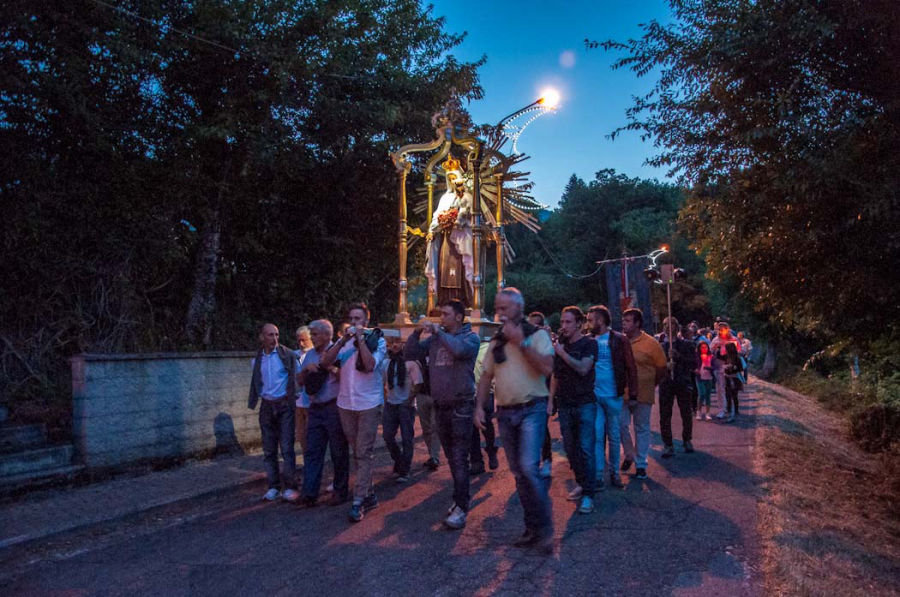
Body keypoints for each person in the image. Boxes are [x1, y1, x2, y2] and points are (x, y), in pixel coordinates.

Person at [476, 288, 555, 553]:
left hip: (532, 408)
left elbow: (546, 368)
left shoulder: (537, 335)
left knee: (529, 467)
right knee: (520, 475)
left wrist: (521, 342)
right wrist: (479, 407)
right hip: (505, 413)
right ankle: (532, 527)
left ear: (519, 309)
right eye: (498, 307)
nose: (500, 313)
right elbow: (486, 376)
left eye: (505, 308)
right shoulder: (497, 341)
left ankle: (545, 529)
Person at [405, 299, 480, 529]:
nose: (442, 318)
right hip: (441, 405)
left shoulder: (471, 338)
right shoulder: (437, 338)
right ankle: (459, 500)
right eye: (441, 315)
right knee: (451, 457)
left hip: (461, 405)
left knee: (459, 457)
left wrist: (438, 333)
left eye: (446, 314)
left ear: (459, 317)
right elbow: (412, 352)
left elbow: (458, 351)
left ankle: (461, 507)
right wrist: (416, 333)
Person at [320, 303, 388, 523]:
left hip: (368, 403)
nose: (354, 322)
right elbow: (325, 362)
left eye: (358, 319)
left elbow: (369, 365)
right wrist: (342, 340)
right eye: (351, 318)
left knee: (363, 452)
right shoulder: (344, 343)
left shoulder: (378, 341)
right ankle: (368, 495)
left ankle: (358, 501)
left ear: (366, 322)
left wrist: (360, 339)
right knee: (356, 451)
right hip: (345, 404)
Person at [549, 306, 598, 514]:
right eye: (562, 322)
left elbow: (583, 368)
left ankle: (589, 493)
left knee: (586, 448)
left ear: (579, 323)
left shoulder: (589, 344)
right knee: (570, 448)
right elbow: (556, 375)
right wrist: (551, 400)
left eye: (568, 322)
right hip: (565, 404)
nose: (564, 326)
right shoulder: (561, 345)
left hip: (584, 402)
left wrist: (561, 353)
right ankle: (581, 482)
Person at [296, 319, 349, 507]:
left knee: (338, 451)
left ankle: (341, 491)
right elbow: (299, 382)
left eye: (315, 333)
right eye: (311, 333)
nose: (312, 337)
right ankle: (309, 494)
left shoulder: (340, 352)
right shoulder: (309, 355)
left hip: (333, 407)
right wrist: (304, 371)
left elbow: (347, 378)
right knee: (312, 451)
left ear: (327, 335)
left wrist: (330, 367)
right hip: (315, 408)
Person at [248, 323, 301, 503]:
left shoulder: (288, 355)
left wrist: (293, 397)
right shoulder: (257, 360)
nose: (275, 339)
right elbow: (257, 381)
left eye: (277, 335)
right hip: (267, 406)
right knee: (269, 449)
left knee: (287, 448)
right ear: (262, 337)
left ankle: (290, 486)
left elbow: (297, 377)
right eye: (270, 335)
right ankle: (273, 487)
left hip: (284, 405)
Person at [587, 305, 637, 490]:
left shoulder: (619, 340)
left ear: (601, 320)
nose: (589, 323)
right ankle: (599, 475)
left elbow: (631, 367)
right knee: (598, 436)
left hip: (614, 395)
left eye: (591, 320)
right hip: (595, 395)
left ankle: (614, 473)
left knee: (614, 436)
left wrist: (633, 394)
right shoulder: (589, 340)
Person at [619, 308, 667, 480]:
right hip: (622, 393)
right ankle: (630, 453)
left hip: (643, 392)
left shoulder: (651, 343)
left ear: (637, 323)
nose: (624, 324)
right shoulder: (620, 341)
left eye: (628, 321)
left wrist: (652, 382)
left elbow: (662, 367)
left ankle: (641, 464)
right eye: (623, 320)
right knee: (620, 425)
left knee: (642, 428)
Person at [425, 157, 474, 307]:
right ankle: (444, 301)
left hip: (460, 239)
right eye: (450, 179)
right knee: (444, 267)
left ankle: (463, 301)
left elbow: (471, 216)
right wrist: (433, 230)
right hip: (446, 239)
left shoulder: (467, 197)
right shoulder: (445, 198)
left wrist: (458, 219)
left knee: (460, 268)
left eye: (455, 178)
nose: (453, 181)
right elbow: (436, 216)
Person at [382, 338, 423, 483]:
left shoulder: (411, 363)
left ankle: (405, 470)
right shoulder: (387, 363)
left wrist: (409, 400)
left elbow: (418, 383)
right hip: (391, 404)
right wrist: (385, 397)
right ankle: (399, 461)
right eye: (392, 342)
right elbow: (383, 381)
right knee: (387, 435)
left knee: (407, 438)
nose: (395, 344)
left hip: (406, 405)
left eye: (398, 342)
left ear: (403, 344)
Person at [658, 317, 699, 457]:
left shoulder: (687, 344)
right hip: (666, 383)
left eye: (671, 324)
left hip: (683, 381)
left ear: (677, 326)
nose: (668, 327)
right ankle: (668, 444)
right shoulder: (660, 346)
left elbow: (694, 364)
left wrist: (678, 356)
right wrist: (665, 366)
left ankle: (687, 440)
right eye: (665, 325)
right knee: (664, 414)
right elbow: (655, 366)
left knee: (686, 413)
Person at [527, 311, 554, 478]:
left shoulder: (545, 344)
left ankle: (547, 459)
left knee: (541, 428)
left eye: (536, 325)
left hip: (542, 392)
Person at [469, 340, 499, 475]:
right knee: (471, 429)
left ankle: (491, 450)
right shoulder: (465, 345)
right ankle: (476, 462)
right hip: (468, 394)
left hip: (486, 392)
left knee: (486, 424)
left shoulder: (487, 347)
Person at [294, 326, 314, 470]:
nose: (301, 344)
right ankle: (308, 463)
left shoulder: (316, 354)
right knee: (301, 436)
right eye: (299, 340)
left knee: (312, 437)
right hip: (298, 403)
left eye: (304, 340)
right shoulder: (294, 355)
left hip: (313, 403)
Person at [710, 322, 739, 419]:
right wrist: (716, 350)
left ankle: (733, 409)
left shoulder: (733, 339)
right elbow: (709, 351)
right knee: (720, 389)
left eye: (723, 329)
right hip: (719, 367)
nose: (721, 331)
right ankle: (721, 410)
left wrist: (731, 349)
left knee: (732, 389)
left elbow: (740, 351)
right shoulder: (716, 340)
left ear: (728, 329)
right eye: (719, 329)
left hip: (731, 367)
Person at [723, 342, 746, 423]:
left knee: (734, 395)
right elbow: (723, 366)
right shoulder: (726, 357)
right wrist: (725, 367)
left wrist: (733, 367)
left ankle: (735, 411)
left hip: (734, 378)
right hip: (727, 377)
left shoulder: (737, 358)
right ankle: (730, 410)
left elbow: (740, 368)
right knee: (728, 394)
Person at [695, 341, 714, 420]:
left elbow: (715, 366)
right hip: (700, 377)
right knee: (701, 394)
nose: (704, 349)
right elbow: (693, 365)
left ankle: (708, 412)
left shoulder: (711, 356)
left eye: (706, 347)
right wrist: (695, 370)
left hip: (709, 377)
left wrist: (711, 368)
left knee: (708, 395)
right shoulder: (696, 356)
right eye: (702, 347)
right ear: (699, 348)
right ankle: (698, 412)